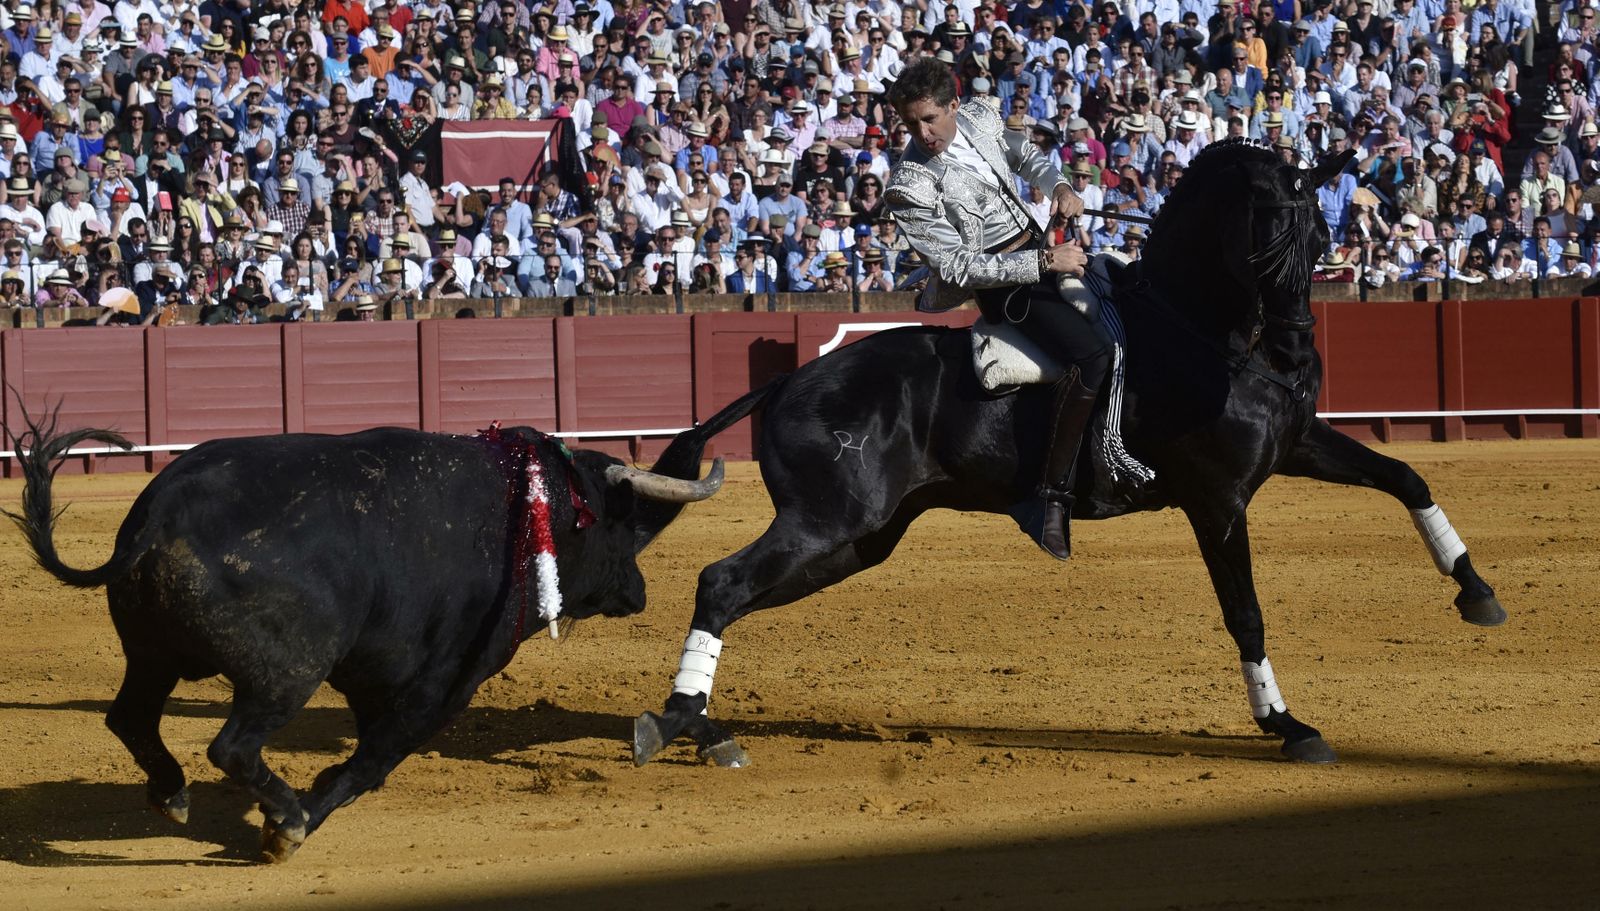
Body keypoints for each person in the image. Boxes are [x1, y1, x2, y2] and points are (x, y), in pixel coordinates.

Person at [884, 58, 1094, 561]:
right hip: (1004, 285)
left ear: (954, 106)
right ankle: (1049, 498)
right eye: (911, 123)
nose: (922, 132)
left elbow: (1028, 157)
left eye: (930, 119)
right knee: (1094, 355)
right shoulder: (908, 183)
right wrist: (1043, 261)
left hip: (1043, 248)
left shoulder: (980, 117)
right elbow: (958, 267)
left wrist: (1060, 184)